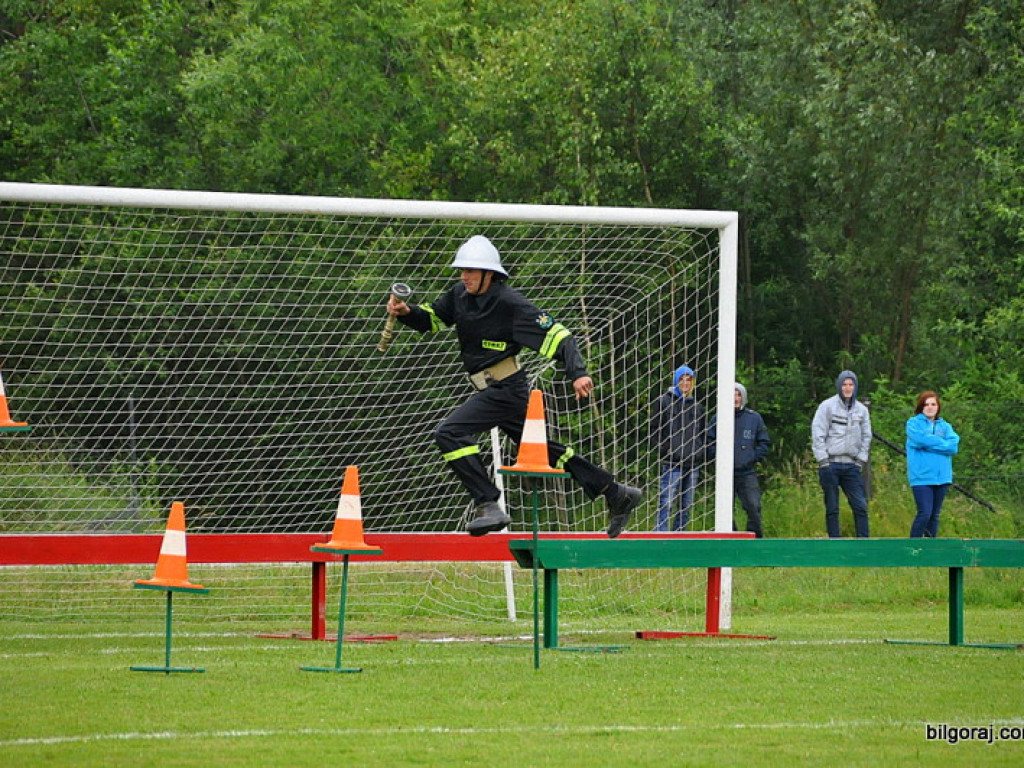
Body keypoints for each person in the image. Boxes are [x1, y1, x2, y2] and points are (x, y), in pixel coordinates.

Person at [385, 235, 642, 538]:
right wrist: (406, 312)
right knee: (545, 451)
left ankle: (488, 503)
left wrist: (578, 373)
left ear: (489, 274)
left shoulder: (511, 304)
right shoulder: (458, 295)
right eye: (461, 270)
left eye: (470, 270)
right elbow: (432, 319)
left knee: (449, 432)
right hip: (493, 390)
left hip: (507, 390)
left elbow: (561, 337)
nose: (464, 276)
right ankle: (615, 492)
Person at [811, 370, 871, 538]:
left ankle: (864, 543)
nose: (847, 388)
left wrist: (861, 459)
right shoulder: (827, 406)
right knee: (832, 507)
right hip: (830, 463)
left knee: (860, 506)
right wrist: (823, 460)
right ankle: (834, 543)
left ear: (855, 386)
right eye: (844, 384)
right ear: (839, 386)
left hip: (852, 465)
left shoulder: (861, 410)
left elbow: (867, 435)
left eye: (851, 384)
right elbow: (818, 433)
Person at [708, 383, 771, 537]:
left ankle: (754, 540)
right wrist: (719, 457)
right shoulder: (718, 418)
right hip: (725, 473)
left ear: (743, 397)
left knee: (753, 506)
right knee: (725, 511)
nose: (735, 398)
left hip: (747, 472)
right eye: (732, 395)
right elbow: (709, 442)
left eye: (738, 395)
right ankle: (732, 541)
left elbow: (764, 443)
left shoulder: (754, 418)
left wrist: (751, 457)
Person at [649, 365, 706, 531]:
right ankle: (660, 534)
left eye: (689, 380)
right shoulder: (664, 401)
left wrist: (699, 451)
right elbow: (654, 429)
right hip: (672, 461)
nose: (686, 383)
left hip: (692, 462)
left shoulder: (697, 406)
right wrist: (665, 449)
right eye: (682, 379)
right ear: (676, 381)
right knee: (666, 502)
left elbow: (702, 432)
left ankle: (680, 534)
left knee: (686, 504)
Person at [906, 390, 960, 538]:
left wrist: (930, 444)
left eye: (933, 404)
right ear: (921, 407)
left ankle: (931, 550)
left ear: (938, 407)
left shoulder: (945, 426)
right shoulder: (913, 424)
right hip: (922, 477)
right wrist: (942, 444)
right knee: (925, 513)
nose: (930, 407)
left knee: (934, 516)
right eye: (926, 404)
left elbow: (953, 446)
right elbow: (919, 439)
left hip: (942, 478)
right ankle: (913, 548)